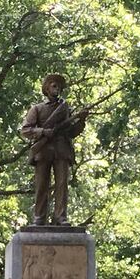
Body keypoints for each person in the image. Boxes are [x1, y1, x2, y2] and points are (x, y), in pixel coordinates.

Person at [21, 74, 88, 226]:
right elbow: (25, 130)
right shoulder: (37, 109)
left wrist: (81, 120)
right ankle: (39, 216)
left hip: (62, 150)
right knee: (41, 184)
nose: (57, 88)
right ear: (46, 88)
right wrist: (43, 132)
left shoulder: (65, 109)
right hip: (43, 150)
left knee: (62, 185)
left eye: (59, 86)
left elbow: (71, 132)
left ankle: (60, 216)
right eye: (53, 85)